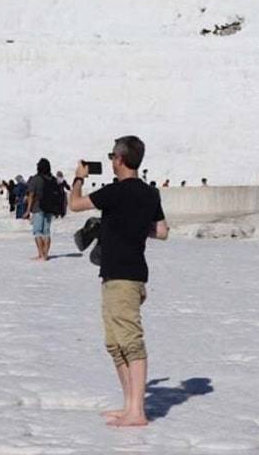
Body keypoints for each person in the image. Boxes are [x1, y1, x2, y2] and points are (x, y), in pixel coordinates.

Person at [69, 136, 169, 428]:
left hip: (121, 278)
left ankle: (136, 411)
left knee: (129, 343)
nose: (111, 160)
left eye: (112, 155)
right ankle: (129, 406)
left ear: (120, 160)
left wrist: (78, 178)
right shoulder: (150, 194)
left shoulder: (114, 192)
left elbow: (74, 204)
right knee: (115, 343)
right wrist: (131, 226)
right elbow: (162, 231)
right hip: (130, 275)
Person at [24, 158, 58, 261]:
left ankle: (41, 254)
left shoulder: (36, 179)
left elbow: (31, 195)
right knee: (47, 231)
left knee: (38, 231)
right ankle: (46, 254)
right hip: (50, 208)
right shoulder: (52, 179)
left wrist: (28, 210)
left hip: (38, 208)